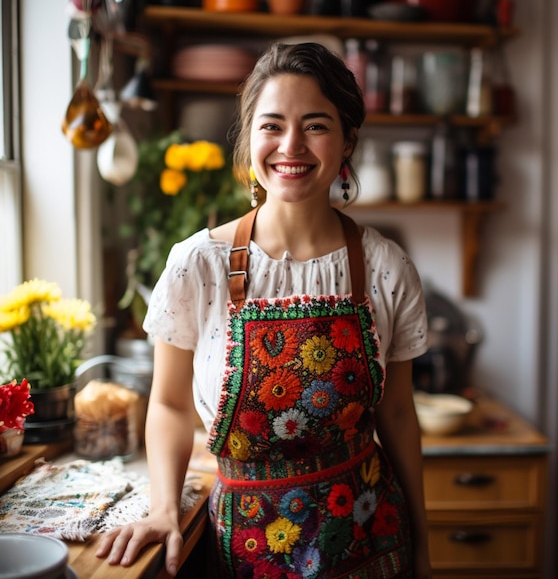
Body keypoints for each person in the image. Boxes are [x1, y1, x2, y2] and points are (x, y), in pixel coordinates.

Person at [96, 41, 432, 579]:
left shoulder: (386, 268)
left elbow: (396, 415)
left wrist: (422, 545)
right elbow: (170, 405)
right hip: (245, 551)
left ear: (348, 141)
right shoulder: (196, 266)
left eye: (316, 125)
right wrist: (163, 508)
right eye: (272, 125)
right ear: (250, 138)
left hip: (370, 541)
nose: (291, 145)